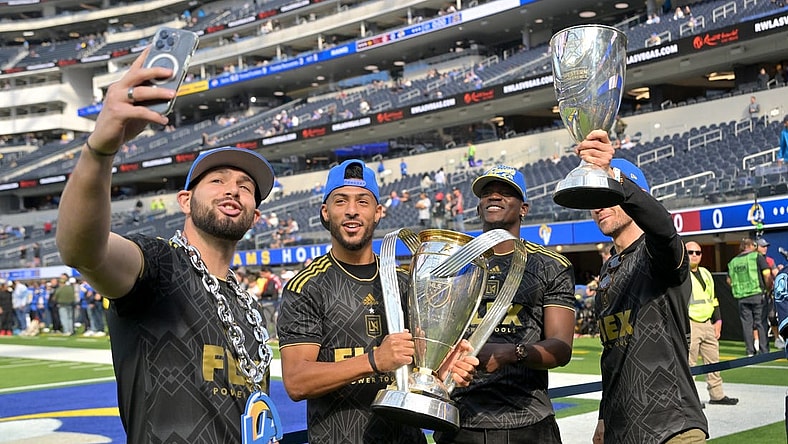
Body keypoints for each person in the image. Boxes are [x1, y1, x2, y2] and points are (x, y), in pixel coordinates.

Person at [55, 47, 279, 443]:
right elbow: (82, 249)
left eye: (246, 188)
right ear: (185, 200)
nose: (233, 190)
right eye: (217, 180)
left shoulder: (248, 305)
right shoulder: (158, 266)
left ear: (254, 217)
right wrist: (101, 148)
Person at [277, 159, 478, 444]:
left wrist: (446, 371)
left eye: (362, 201)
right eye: (340, 201)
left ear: (378, 212)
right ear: (325, 212)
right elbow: (297, 381)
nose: (351, 210)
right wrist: (374, 360)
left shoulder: (406, 282)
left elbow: (422, 368)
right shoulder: (307, 286)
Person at [580, 131, 707, 444]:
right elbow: (611, 355)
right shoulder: (609, 268)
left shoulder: (657, 252)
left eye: (610, 196)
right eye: (596, 200)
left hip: (673, 428)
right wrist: (602, 416)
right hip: (622, 430)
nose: (599, 207)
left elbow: (663, 228)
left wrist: (614, 176)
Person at [434, 165, 576, 444]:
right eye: (487, 193)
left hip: (528, 419)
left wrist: (512, 352)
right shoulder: (451, 266)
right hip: (461, 420)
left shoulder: (549, 265)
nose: (494, 197)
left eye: (505, 192)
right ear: (478, 209)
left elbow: (561, 348)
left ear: (524, 208)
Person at [685, 241, 738, 405]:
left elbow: (713, 298)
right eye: (690, 252)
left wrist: (718, 320)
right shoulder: (680, 276)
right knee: (689, 364)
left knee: (713, 360)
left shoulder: (706, 273)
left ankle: (717, 394)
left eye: (698, 252)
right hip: (690, 323)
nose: (694, 255)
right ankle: (690, 399)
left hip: (708, 322)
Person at [727, 237, 773, 356]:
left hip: (742, 296)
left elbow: (728, 280)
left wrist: (738, 287)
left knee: (746, 324)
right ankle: (764, 351)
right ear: (752, 246)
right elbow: (767, 275)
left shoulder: (733, 262)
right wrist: (769, 289)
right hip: (757, 294)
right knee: (761, 323)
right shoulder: (757, 257)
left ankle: (750, 351)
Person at [755, 237, 782, 349]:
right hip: (756, 292)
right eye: (762, 246)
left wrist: (780, 270)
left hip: (768, 293)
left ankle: (777, 338)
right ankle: (756, 341)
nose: (765, 248)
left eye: (766, 246)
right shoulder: (752, 260)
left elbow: (775, 273)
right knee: (756, 318)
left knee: (772, 316)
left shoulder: (770, 260)